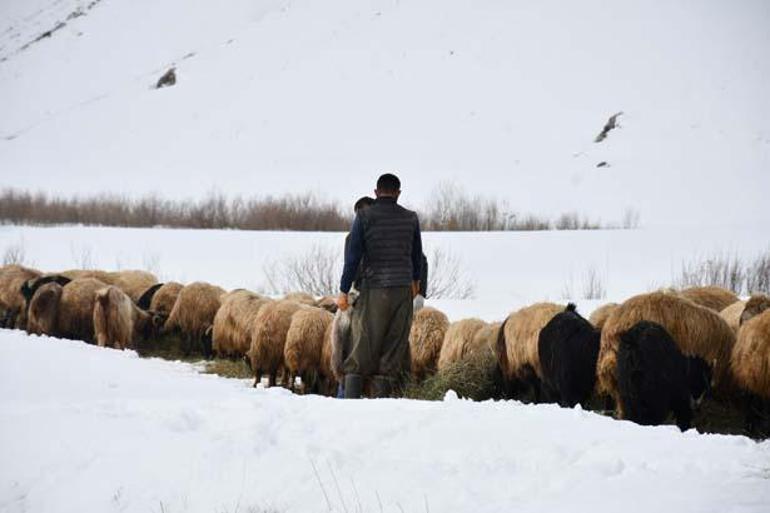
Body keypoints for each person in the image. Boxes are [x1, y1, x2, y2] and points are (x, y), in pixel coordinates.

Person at [337, 173, 423, 398]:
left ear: (376, 192)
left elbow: (353, 257)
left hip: (374, 289)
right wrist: (416, 285)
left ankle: (350, 402)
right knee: (392, 350)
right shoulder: (410, 218)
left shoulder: (364, 216)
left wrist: (344, 290)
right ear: (398, 193)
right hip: (403, 290)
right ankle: (382, 405)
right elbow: (417, 256)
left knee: (361, 346)